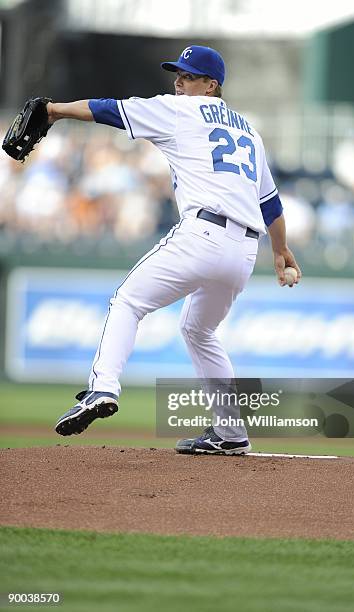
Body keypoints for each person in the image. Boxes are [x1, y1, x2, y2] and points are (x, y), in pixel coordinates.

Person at [52, 45, 301, 454]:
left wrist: (55, 110)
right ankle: (232, 435)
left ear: (211, 86)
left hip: (203, 234)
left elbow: (109, 109)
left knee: (128, 301)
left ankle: (102, 388)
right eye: (178, 75)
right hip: (243, 252)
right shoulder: (248, 131)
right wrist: (281, 250)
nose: (178, 82)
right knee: (199, 330)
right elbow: (270, 202)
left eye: (188, 76)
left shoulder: (182, 109)